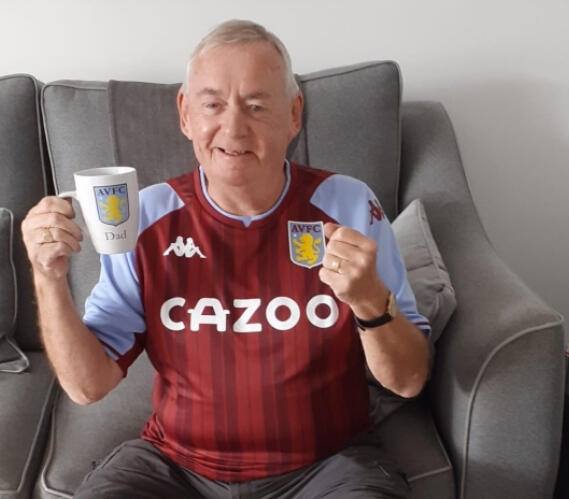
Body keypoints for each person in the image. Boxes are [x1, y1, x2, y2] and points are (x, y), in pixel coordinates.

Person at [22, 19, 431, 499]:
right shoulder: (146, 217)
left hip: (328, 465)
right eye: (213, 104)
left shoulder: (349, 205)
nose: (233, 127)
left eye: (256, 106)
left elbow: (408, 380)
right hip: (175, 466)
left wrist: (370, 301)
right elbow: (87, 387)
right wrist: (48, 276)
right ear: (185, 114)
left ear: (293, 114)